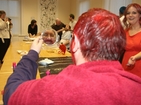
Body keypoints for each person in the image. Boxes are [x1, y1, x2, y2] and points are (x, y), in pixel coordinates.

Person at [3, 8, 141, 105]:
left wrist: (32, 54)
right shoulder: (136, 89)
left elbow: (11, 93)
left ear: (75, 44)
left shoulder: (57, 90)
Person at [122, 3, 141, 78]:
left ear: (140, 15)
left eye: (134, 13)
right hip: (126, 65)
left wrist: (134, 57)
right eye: (128, 13)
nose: (130, 15)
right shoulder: (124, 32)